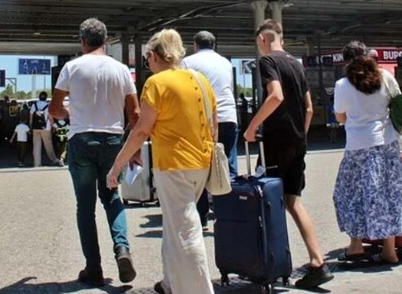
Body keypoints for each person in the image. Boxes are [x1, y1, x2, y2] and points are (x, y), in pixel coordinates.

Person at [107, 28, 216, 294]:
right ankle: (170, 283)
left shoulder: (156, 84)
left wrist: (117, 165)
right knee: (174, 226)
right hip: (201, 162)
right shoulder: (200, 80)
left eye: (147, 58)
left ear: (154, 56)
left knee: (186, 232)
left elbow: (142, 130)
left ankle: (200, 289)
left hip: (173, 164)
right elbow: (214, 126)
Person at [49, 18, 139, 287]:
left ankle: (93, 268)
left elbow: (54, 109)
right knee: (112, 197)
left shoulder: (71, 67)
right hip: (113, 140)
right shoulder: (121, 70)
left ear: (82, 41)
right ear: (107, 40)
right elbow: (134, 113)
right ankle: (122, 249)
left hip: (82, 140)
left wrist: (70, 113)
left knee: (85, 207)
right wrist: (135, 150)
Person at [243, 20, 333, 289]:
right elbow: (308, 108)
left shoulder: (267, 61)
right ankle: (317, 262)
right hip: (297, 142)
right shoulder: (296, 64)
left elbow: (275, 96)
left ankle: (270, 266)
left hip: (275, 142)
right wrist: (301, 136)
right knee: (293, 200)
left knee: (267, 201)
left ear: (262, 40)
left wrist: (252, 126)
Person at [332, 41, 402, 264]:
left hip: (357, 147)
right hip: (387, 144)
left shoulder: (342, 85)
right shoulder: (385, 77)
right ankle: (389, 250)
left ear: (346, 61)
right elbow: (398, 104)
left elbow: (340, 117)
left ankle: (356, 245)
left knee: (350, 194)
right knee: (388, 194)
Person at [180, 30, 238, 229]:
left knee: (201, 166)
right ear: (214, 44)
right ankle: (230, 214)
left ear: (195, 45)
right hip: (228, 116)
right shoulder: (226, 63)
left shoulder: (188, 63)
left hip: (203, 119)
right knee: (227, 163)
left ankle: (202, 217)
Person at [29, 92, 61, 167]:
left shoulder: (34, 105)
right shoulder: (48, 105)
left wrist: (31, 126)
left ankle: (37, 163)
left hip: (35, 127)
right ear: (46, 98)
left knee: (36, 146)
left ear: (39, 97)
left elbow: (31, 116)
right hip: (46, 128)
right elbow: (50, 117)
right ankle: (53, 159)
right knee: (48, 145)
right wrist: (53, 126)